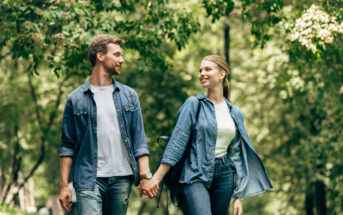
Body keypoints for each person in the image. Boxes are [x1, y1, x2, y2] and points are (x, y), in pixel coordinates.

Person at [143, 55, 273, 215]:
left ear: (221, 74)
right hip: (195, 172)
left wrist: (239, 196)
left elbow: (236, 154)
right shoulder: (193, 104)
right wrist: (156, 178)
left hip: (225, 174)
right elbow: (177, 143)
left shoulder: (234, 112)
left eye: (207, 69)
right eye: (200, 70)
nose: (202, 74)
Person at [59, 34, 152, 215]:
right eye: (116, 54)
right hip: (88, 179)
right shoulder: (75, 99)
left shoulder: (129, 95)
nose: (122, 60)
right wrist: (63, 186)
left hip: (121, 178)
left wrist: (145, 176)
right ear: (100, 56)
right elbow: (67, 146)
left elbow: (139, 140)